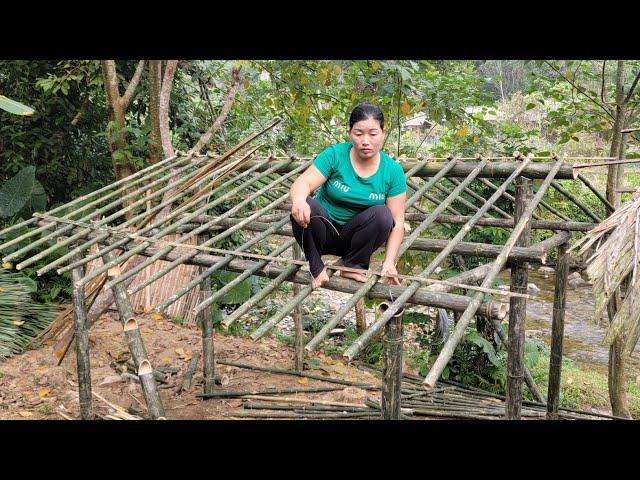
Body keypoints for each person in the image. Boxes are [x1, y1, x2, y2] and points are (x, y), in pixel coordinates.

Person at [289, 104, 407, 290]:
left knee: (384, 215)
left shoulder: (392, 171)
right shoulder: (335, 155)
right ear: (350, 133)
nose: (365, 141)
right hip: (323, 232)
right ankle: (316, 266)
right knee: (306, 205)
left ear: (383, 133)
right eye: (358, 133)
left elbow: (398, 222)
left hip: (357, 239)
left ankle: (353, 265)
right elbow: (303, 183)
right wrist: (298, 200)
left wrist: (389, 262)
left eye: (373, 134)